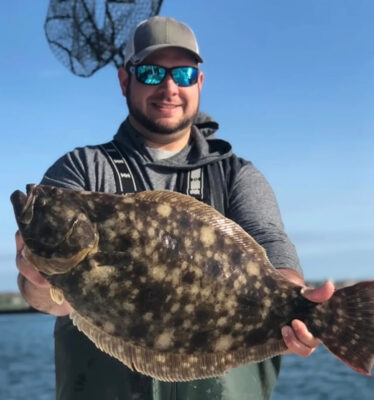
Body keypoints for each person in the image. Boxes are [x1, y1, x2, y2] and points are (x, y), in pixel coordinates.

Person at [15, 16, 334, 400]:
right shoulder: (81, 169)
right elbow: (46, 299)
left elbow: (272, 249)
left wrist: (303, 313)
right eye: (151, 72)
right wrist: (37, 281)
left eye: (182, 74)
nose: (168, 87)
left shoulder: (237, 176)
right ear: (124, 80)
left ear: (198, 83)